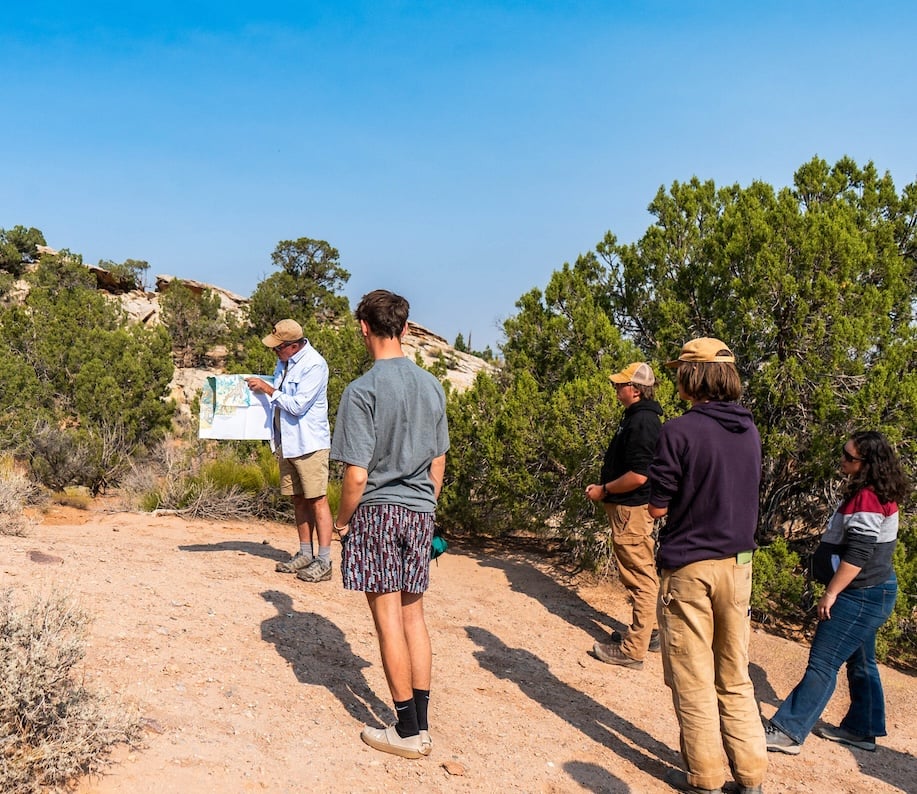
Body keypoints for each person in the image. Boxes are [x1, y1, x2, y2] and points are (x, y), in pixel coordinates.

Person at [330, 290, 449, 760]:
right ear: (404, 326)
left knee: (386, 622)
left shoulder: (362, 391)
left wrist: (341, 523)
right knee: (414, 616)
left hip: (378, 511)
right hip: (420, 511)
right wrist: (426, 505)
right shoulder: (432, 385)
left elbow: (356, 473)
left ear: (364, 327)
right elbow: (438, 460)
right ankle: (421, 722)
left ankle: (406, 731)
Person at [648, 338, 766, 794]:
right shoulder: (749, 429)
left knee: (693, 678)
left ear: (692, 377)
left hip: (691, 566)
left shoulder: (678, 431)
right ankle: (751, 776)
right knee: (735, 675)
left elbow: (659, 507)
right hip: (739, 564)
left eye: (680, 369)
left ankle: (706, 779)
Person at [764, 430, 908, 756]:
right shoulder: (879, 492)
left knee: (823, 662)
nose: (842, 460)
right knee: (861, 659)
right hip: (876, 591)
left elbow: (858, 555)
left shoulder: (868, 499)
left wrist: (831, 592)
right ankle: (862, 728)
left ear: (867, 464)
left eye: (849, 457)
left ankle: (787, 730)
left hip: (860, 596)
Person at [585, 362, 664, 668]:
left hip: (631, 510)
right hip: (628, 509)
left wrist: (604, 489)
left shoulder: (643, 422)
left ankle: (633, 650)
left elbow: (639, 475)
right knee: (640, 572)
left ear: (634, 389)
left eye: (620, 385)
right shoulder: (639, 418)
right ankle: (649, 633)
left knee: (640, 578)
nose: (616, 389)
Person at [246, 319, 334, 583]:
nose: (275, 352)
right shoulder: (284, 362)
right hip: (288, 442)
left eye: (278, 348)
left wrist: (268, 390)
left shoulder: (314, 365)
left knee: (317, 499)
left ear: (293, 346)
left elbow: (297, 406)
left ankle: (325, 560)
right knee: (298, 499)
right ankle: (305, 553)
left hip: (309, 443)